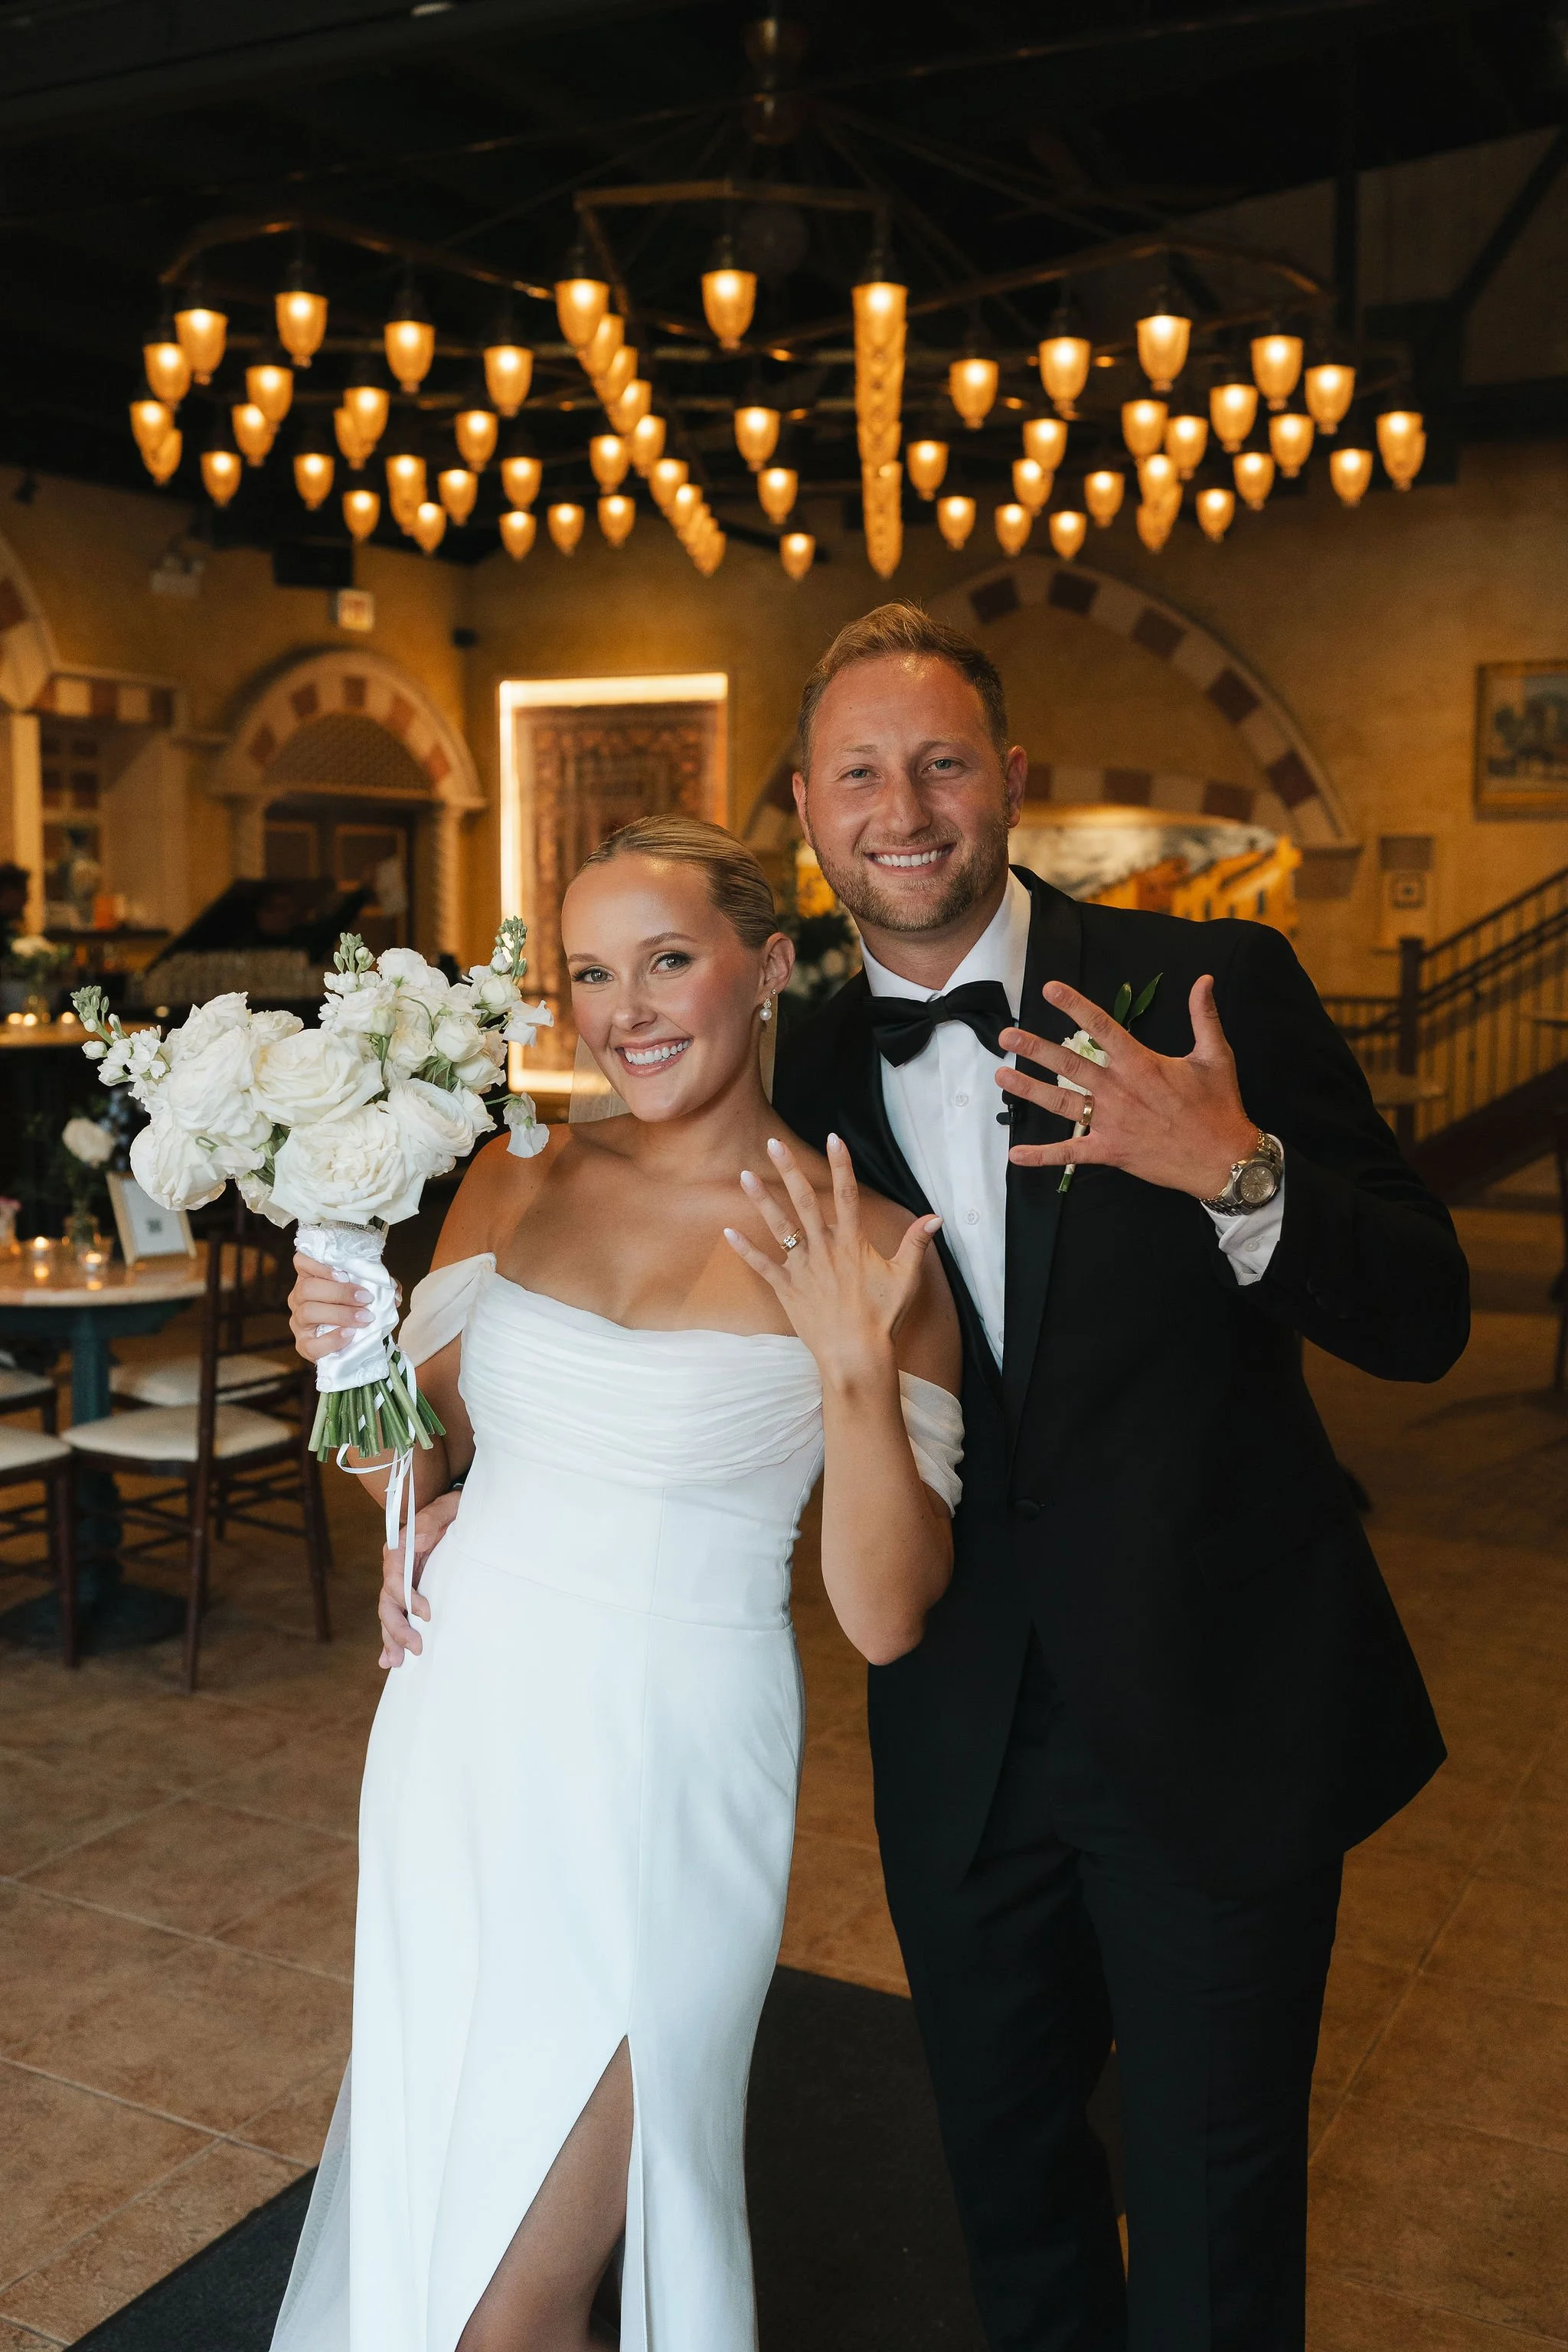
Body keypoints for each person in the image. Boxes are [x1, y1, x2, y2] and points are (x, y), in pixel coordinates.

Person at [764, 603, 1468, 2352]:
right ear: (804, 806)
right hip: (954, 1730)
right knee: (1009, 2195)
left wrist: (1237, 1174)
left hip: (1211, 1700)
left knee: (1217, 2221)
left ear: (1011, 779)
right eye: (859, 772)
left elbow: (1427, 1313)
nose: (902, 807)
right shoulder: (791, 1066)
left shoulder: (1200, 982)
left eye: (938, 762)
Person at [272, 815, 963, 2352]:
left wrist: (852, 1370)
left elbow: (885, 1614)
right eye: (593, 972)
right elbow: (413, 1473)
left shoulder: (873, 1247)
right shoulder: (516, 1182)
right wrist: (352, 1360)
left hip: (670, 1768)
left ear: (769, 966)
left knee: (513, 2310)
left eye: (668, 960)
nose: (627, 1009)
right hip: (461, 1733)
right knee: (449, 2226)